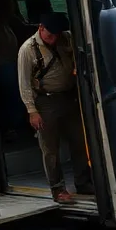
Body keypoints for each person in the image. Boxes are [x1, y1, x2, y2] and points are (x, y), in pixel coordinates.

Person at [17, 12, 93, 204]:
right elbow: (24, 83)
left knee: (79, 140)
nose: (53, 39)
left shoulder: (65, 39)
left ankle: (83, 182)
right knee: (50, 148)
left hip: (68, 97)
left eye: (57, 35)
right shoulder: (28, 49)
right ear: (40, 28)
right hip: (45, 101)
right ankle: (57, 189)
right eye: (50, 35)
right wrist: (32, 111)